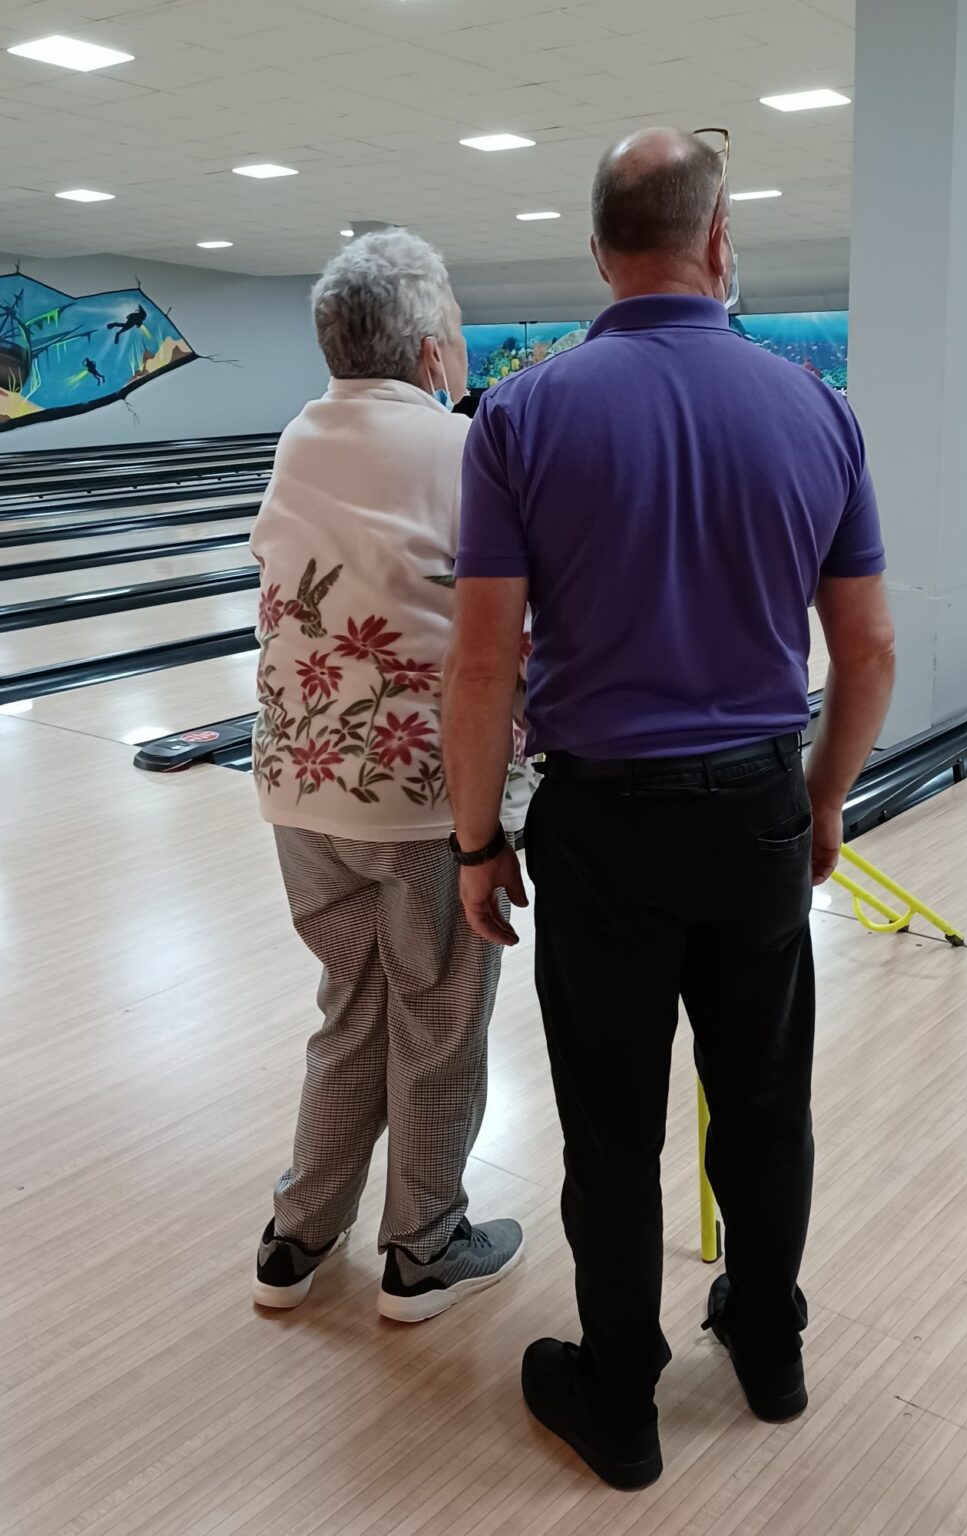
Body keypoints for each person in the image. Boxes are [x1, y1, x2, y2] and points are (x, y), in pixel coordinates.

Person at [442, 128, 895, 1487]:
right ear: (720, 240)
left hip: (604, 828)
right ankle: (769, 1347)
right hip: (757, 807)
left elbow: (482, 663)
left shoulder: (520, 414)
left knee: (611, 1125)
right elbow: (869, 650)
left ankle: (622, 1402)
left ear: (598, 251)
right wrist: (821, 803)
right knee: (762, 1103)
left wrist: (477, 841)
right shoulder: (815, 407)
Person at [249, 229, 529, 1321]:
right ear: (427, 351)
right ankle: (423, 1247)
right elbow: (514, 617)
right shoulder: (464, 445)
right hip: (417, 800)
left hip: (297, 788)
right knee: (439, 1017)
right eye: (453, 328)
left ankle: (297, 1235)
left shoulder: (298, 434)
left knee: (351, 1007)